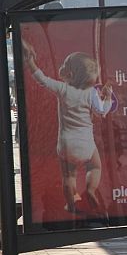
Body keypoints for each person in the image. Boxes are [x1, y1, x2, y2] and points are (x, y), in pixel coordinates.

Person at [23, 41, 114, 214]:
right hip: (86, 142)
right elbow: (102, 110)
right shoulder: (92, 93)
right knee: (95, 166)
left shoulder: (62, 89)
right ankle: (90, 190)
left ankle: (71, 204)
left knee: (68, 175)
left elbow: (41, 78)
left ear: (70, 73)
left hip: (66, 144)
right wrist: (107, 97)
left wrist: (31, 62)